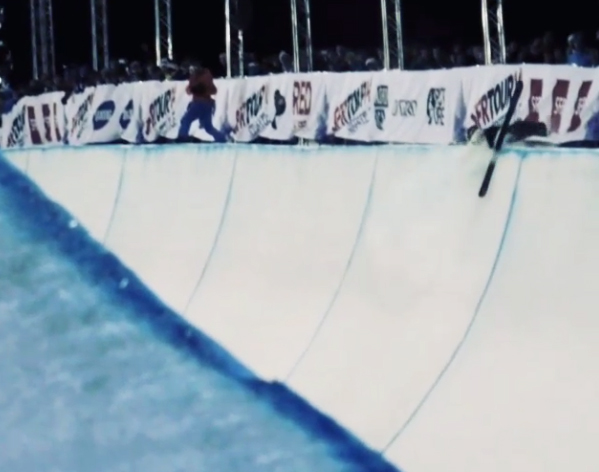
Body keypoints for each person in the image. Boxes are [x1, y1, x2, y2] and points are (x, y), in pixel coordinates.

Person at [178, 66, 228, 142]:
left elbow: (190, 90)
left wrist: (194, 87)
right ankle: (222, 139)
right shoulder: (204, 76)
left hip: (199, 103)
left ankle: (182, 137)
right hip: (207, 104)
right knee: (208, 127)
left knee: (186, 120)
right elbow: (213, 90)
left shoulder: (199, 77)